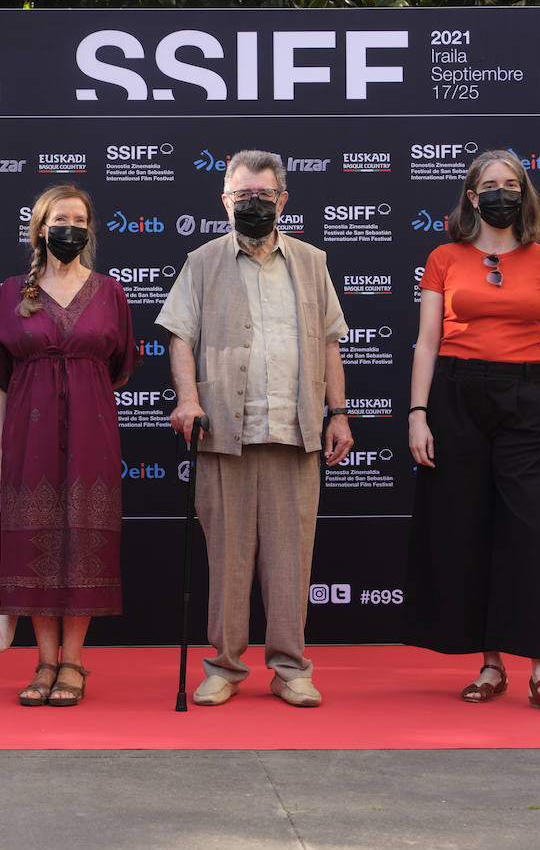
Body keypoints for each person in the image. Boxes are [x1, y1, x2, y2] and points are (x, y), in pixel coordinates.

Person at [157, 149, 353, 709]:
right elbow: (179, 337)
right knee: (228, 559)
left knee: (291, 561)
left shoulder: (312, 262)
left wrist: (339, 413)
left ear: (282, 200)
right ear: (225, 201)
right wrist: (188, 399)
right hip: (225, 434)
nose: (253, 203)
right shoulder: (201, 262)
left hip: (296, 433)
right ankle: (224, 665)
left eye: (263, 195)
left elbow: (329, 341)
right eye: (242, 195)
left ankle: (291, 669)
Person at [403, 149, 540, 718]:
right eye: (490, 184)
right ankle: (490, 664)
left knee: (532, 531)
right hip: (457, 395)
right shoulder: (443, 257)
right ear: (471, 195)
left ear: (524, 193)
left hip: (528, 398)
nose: (500, 192)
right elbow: (427, 342)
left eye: (511, 183)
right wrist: (418, 413)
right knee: (471, 529)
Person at [0, 185, 138, 707]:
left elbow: (118, 369)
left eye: (80, 220)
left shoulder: (110, 292)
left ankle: (73, 661)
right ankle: (45, 662)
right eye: (61, 219)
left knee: (85, 542)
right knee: (35, 543)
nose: (72, 227)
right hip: (27, 435)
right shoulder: (11, 292)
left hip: (92, 434)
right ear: (41, 228)